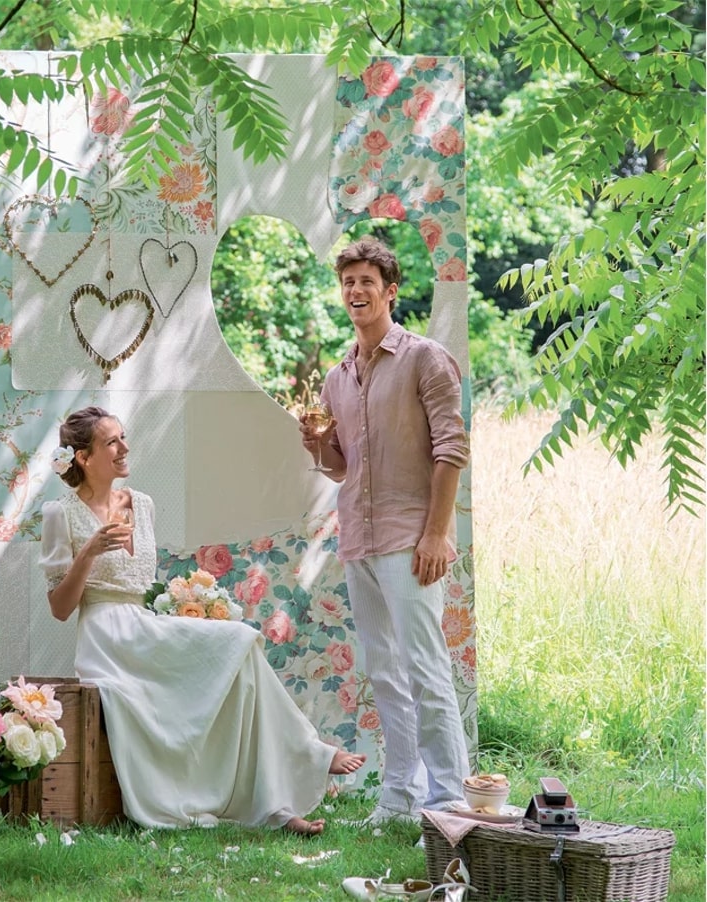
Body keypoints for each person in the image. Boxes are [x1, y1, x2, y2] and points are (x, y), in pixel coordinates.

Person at [40, 406, 365, 835]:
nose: (125, 447)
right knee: (236, 645)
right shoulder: (59, 513)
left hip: (143, 626)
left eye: (124, 436)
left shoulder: (143, 505)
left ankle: (277, 804)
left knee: (240, 646)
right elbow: (61, 609)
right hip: (106, 640)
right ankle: (307, 763)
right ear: (82, 458)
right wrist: (89, 552)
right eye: (112, 442)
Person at [300, 237, 471, 826]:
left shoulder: (426, 359)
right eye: (347, 282)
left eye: (366, 281)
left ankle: (447, 802)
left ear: (390, 290)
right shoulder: (336, 377)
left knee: (425, 667)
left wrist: (435, 534)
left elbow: (452, 450)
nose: (355, 291)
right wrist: (319, 447)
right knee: (383, 672)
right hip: (358, 542)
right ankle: (400, 797)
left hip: (409, 539)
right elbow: (343, 467)